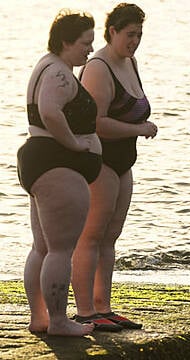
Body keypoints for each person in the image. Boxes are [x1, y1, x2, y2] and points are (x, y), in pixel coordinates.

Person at [71, 3, 155, 331]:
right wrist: (138, 129)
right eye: (130, 34)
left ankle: (103, 306)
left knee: (111, 236)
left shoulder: (130, 62)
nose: (135, 41)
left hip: (124, 162)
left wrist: (141, 123)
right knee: (91, 236)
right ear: (112, 32)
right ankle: (84, 310)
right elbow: (96, 122)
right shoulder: (97, 67)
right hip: (99, 159)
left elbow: (132, 109)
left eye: (140, 35)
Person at [16, 9, 99, 337]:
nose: (90, 50)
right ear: (66, 41)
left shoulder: (48, 64)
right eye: (85, 43)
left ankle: (40, 318)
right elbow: (50, 111)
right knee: (61, 249)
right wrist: (76, 145)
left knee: (43, 246)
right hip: (57, 165)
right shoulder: (58, 74)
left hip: (41, 161)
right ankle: (60, 320)